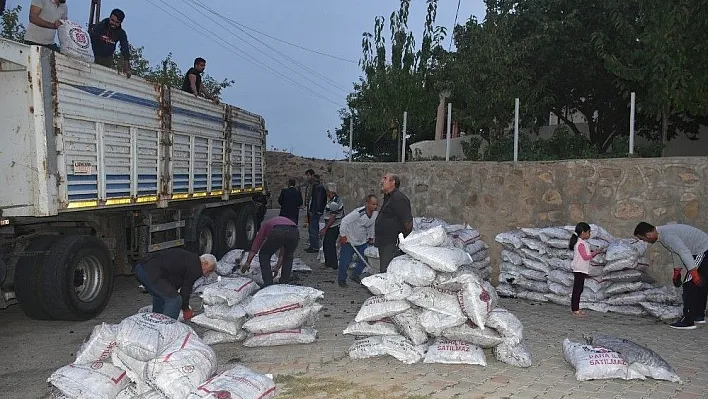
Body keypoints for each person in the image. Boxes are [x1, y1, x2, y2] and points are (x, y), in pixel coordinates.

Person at [634, 222, 708, 329]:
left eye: (643, 239)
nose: (645, 241)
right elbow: (676, 251)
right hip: (704, 249)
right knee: (700, 284)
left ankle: (687, 321)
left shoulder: (667, 235)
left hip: (703, 250)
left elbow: (683, 251)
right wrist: (677, 271)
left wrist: (693, 272)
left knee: (689, 284)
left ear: (648, 234)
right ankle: (698, 316)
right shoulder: (664, 234)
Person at [134, 248, 216, 321]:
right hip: (150, 271)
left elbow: (172, 283)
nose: (207, 275)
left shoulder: (188, 259)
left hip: (141, 268)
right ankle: (167, 331)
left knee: (161, 297)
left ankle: (156, 323)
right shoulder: (196, 266)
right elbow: (185, 291)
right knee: (175, 300)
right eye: (210, 270)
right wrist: (186, 309)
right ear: (205, 263)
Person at [241, 216, 299, 286]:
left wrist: (248, 262)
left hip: (278, 230)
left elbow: (255, 246)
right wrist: (277, 267)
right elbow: (282, 254)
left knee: (264, 254)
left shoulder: (265, 225)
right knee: (288, 255)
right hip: (295, 232)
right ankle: (284, 282)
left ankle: (268, 284)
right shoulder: (279, 222)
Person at [337, 194, 378, 287]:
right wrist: (343, 236)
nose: (374, 206)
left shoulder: (375, 214)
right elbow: (344, 221)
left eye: (376, 204)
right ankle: (342, 279)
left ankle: (355, 275)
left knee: (365, 258)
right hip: (349, 240)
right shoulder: (358, 213)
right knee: (345, 261)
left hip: (362, 240)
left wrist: (371, 237)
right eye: (373, 204)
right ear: (367, 204)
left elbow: (372, 225)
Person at [374, 173, 412, 272]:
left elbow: (408, 223)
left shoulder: (398, 198)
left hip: (391, 243)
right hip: (384, 242)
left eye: (385, 178)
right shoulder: (388, 197)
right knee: (384, 269)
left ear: (393, 182)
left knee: (387, 271)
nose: (382, 181)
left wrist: (403, 240)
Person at [568, 222, 604, 317]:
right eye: (588, 232)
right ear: (583, 232)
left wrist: (594, 252)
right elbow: (585, 257)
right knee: (577, 290)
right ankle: (575, 309)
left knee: (579, 290)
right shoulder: (581, 244)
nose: (589, 234)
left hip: (581, 269)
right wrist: (595, 253)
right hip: (579, 269)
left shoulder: (582, 243)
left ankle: (576, 308)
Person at [88, 8, 131, 77]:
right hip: (93, 56)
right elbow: (90, 38)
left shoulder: (121, 33)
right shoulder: (100, 26)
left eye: (117, 22)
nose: (114, 24)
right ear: (109, 17)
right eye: (112, 20)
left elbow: (125, 49)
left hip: (107, 59)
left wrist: (127, 67)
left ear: (120, 23)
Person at [320, 182, 345, 272]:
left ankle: (332, 264)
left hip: (333, 226)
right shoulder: (335, 199)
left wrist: (325, 228)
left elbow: (333, 217)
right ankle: (329, 263)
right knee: (327, 244)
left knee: (329, 244)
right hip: (333, 225)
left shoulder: (334, 202)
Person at [305, 174, 327, 253]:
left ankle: (314, 246)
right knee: (313, 228)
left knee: (313, 228)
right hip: (314, 211)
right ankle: (313, 245)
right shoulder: (318, 187)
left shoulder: (318, 188)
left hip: (315, 212)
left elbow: (318, 200)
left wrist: (316, 210)